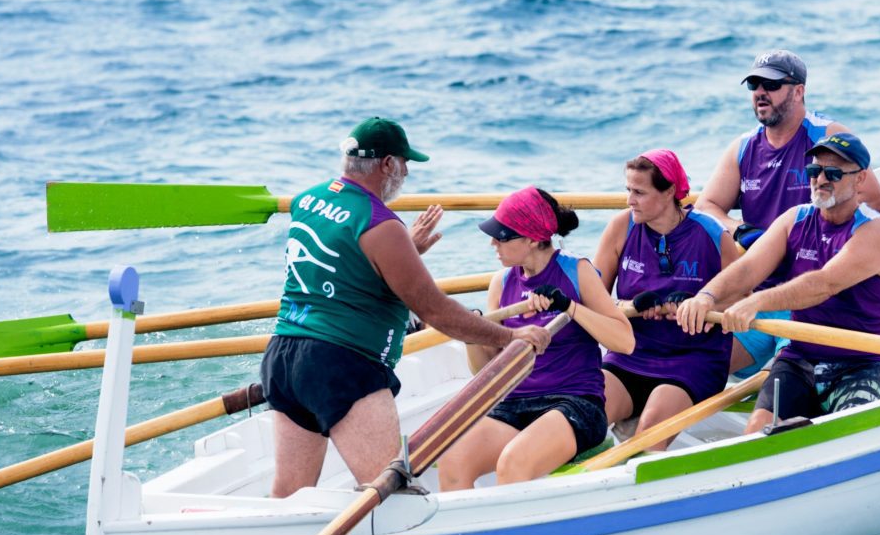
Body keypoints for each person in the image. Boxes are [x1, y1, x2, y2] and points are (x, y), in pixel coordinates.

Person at [265, 117, 546, 497]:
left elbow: (343, 264)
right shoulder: (381, 225)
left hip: (283, 357)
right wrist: (511, 335)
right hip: (342, 365)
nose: (407, 172)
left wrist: (405, 252)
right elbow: (437, 313)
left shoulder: (307, 200)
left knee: (288, 496)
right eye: (405, 163)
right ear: (386, 165)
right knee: (394, 499)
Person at [677, 129, 880, 430]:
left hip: (864, 361)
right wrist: (707, 296)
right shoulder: (795, 218)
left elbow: (824, 284)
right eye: (814, 170)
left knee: (847, 433)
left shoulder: (878, 230)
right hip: (801, 356)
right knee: (757, 431)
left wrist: (756, 301)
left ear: (860, 179)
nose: (820, 179)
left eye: (833, 173)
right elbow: (747, 270)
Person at [696, 49, 880, 377]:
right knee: (698, 368)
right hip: (762, 293)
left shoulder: (829, 139)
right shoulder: (743, 148)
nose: (760, 92)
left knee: (793, 379)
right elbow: (706, 207)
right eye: (754, 84)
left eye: (770, 84)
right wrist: (738, 229)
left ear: (799, 91)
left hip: (818, 299)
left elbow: (875, 204)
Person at [435, 187, 635, 491]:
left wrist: (570, 306)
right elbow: (489, 371)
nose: (492, 243)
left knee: (513, 464)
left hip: (575, 402)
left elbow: (625, 341)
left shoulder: (576, 271)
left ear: (530, 239)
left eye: (501, 237)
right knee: (452, 462)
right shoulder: (501, 283)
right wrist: (471, 336)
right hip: (517, 402)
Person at [593, 148, 741, 435]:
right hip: (630, 354)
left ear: (670, 191)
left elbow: (742, 300)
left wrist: (698, 308)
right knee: (586, 413)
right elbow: (593, 304)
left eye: (639, 192)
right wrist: (630, 306)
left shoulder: (712, 234)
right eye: (628, 190)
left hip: (693, 359)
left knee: (650, 431)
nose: (629, 201)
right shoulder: (620, 228)